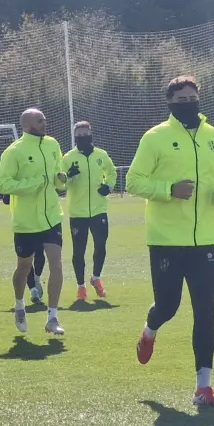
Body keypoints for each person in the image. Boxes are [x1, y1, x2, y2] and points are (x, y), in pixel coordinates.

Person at [128, 75, 214, 406]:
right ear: (170, 103)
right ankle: (149, 330)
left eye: (193, 98)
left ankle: (204, 387)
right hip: (166, 241)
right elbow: (133, 181)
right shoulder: (155, 137)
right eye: (181, 100)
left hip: (205, 243)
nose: (189, 104)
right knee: (168, 306)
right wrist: (169, 191)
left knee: (206, 312)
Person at [0, 108, 69, 335]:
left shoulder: (52, 145)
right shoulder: (14, 151)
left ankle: (52, 317)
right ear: (26, 126)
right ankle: (19, 304)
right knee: (24, 268)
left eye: (44, 119)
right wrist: (35, 182)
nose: (44, 123)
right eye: (39, 121)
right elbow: (3, 185)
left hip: (52, 218)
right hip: (26, 222)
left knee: (56, 263)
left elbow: (57, 175)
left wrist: (60, 182)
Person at [61, 121, 117, 301]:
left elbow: (112, 172)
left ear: (91, 134)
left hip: (99, 210)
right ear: (75, 137)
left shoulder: (101, 155)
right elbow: (61, 184)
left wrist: (108, 186)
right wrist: (69, 176)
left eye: (87, 134)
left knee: (101, 245)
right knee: (79, 251)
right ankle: (81, 286)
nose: (84, 137)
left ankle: (96, 278)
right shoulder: (68, 158)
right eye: (80, 135)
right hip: (78, 213)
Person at [2, 193, 45, 305]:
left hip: (40, 223)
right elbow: (6, 199)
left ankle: (37, 279)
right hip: (22, 226)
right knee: (25, 260)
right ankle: (33, 290)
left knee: (40, 254)